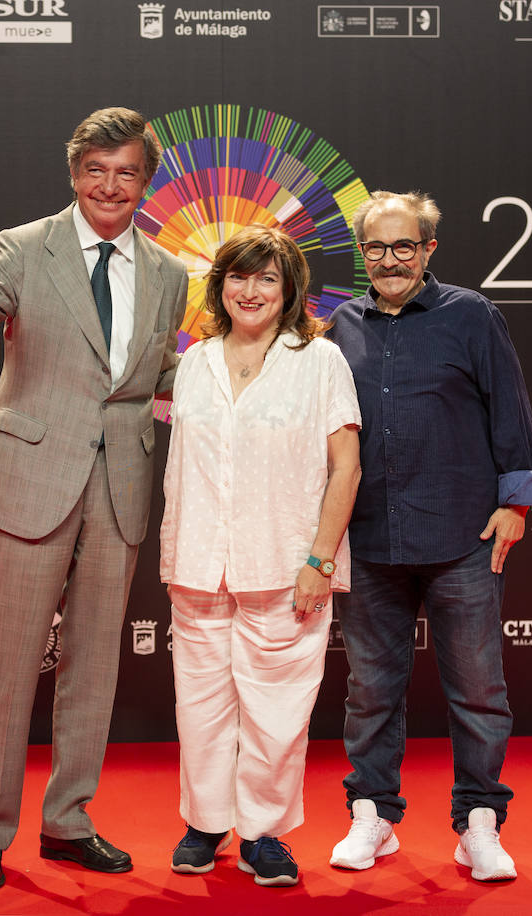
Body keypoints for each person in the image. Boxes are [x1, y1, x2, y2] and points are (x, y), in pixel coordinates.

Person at [0, 107, 189, 889]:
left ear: (147, 181)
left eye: (128, 172)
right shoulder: (21, 246)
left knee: (94, 665)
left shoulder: (170, 273)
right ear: (74, 173)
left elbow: (163, 381)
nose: (112, 186)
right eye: (97, 170)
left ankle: (69, 821)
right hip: (31, 481)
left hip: (121, 487)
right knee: (7, 664)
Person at [323, 191, 532, 882]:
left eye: (404, 247)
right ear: (362, 254)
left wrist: (518, 501)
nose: (390, 260)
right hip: (371, 539)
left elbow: (511, 408)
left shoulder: (472, 316)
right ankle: (373, 816)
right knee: (371, 690)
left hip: (462, 534)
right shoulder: (339, 328)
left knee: (479, 688)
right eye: (377, 249)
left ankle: (480, 821)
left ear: (428, 250)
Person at [159, 225, 362, 887]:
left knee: (278, 711)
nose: (251, 290)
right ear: (220, 286)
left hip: (286, 566)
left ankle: (264, 833)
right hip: (197, 565)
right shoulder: (195, 361)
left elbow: (346, 467)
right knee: (201, 706)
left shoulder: (319, 360)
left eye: (266, 278)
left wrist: (321, 560)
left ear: (290, 290)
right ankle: (207, 821)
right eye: (239, 277)